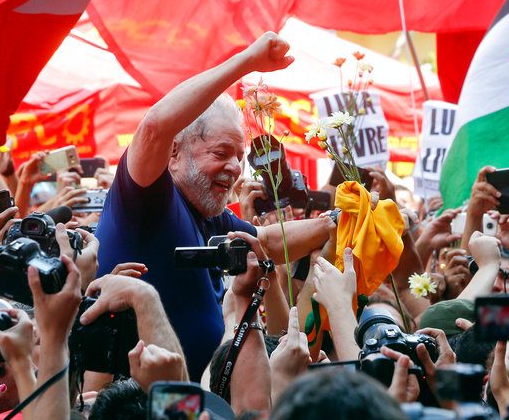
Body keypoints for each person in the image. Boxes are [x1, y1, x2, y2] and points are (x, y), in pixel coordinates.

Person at [95, 32, 333, 380]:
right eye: (221, 153)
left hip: (204, 409)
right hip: (150, 417)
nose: (236, 168)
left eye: (239, 157)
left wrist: (335, 222)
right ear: (174, 152)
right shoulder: (148, 200)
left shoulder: (210, 216)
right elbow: (154, 127)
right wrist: (247, 62)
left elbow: (266, 243)